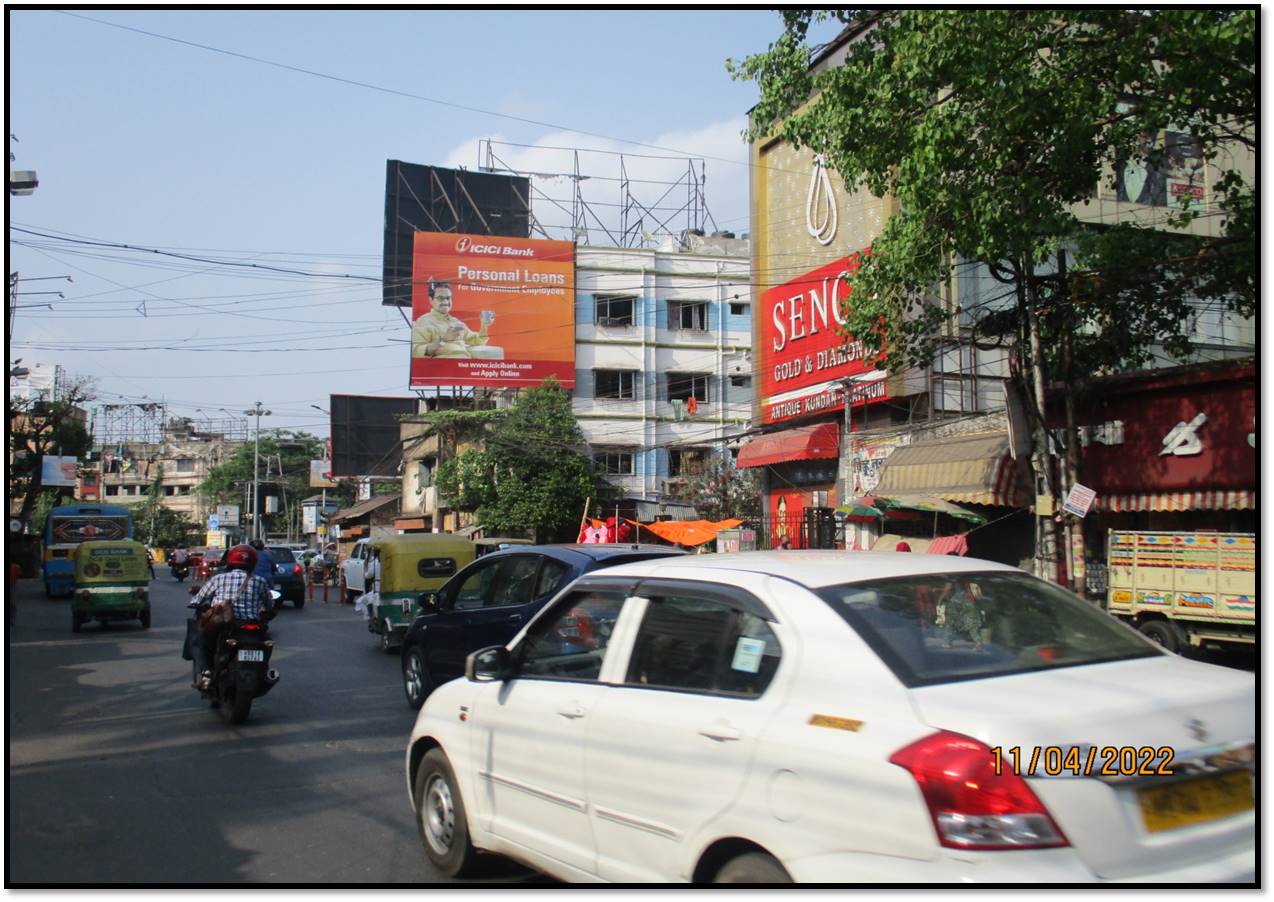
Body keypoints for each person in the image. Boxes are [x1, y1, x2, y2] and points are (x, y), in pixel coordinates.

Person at [187, 543, 274, 691]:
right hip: (252, 624)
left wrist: (195, 603)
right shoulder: (260, 581)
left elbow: (197, 599)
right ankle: (265, 672)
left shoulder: (219, 579)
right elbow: (269, 604)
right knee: (266, 642)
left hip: (225, 623)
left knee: (199, 639)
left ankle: (206, 672)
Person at [411, 279, 495, 358]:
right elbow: (416, 351)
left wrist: (484, 325)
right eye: (440, 298)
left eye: (448, 298)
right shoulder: (424, 321)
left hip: (464, 365)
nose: (445, 302)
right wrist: (444, 339)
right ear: (431, 300)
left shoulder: (456, 322)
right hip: (443, 367)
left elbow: (478, 341)